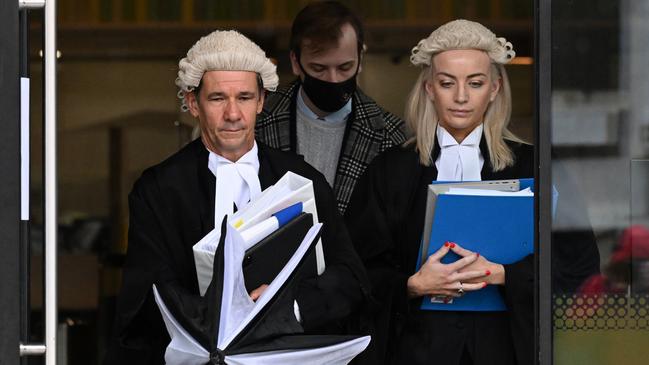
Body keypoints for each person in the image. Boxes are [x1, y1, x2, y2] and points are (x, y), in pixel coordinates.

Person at [104, 30, 369, 364]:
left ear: (260, 101)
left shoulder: (303, 179)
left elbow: (350, 277)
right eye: (217, 98)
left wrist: (291, 308)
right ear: (192, 103)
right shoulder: (158, 189)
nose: (232, 114)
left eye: (244, 97)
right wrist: (222, 316)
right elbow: (149, 294)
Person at [344, 20, 598, 365]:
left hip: (506, 348)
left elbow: (579, 265)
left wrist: (505, 274)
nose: (461, 97)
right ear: (429, 88)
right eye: (447, 83)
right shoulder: (389, 170)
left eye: (475, 83)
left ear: (494, 89)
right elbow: (353, 272)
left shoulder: (535, 165)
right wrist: (413, 284)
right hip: (418, 350)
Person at [256, 0, 408, 214]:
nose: (333, 79)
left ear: (360, 59)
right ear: (295, 62)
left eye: (345, 67)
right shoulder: (256, 122)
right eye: (318, 68)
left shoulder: (395, 137)